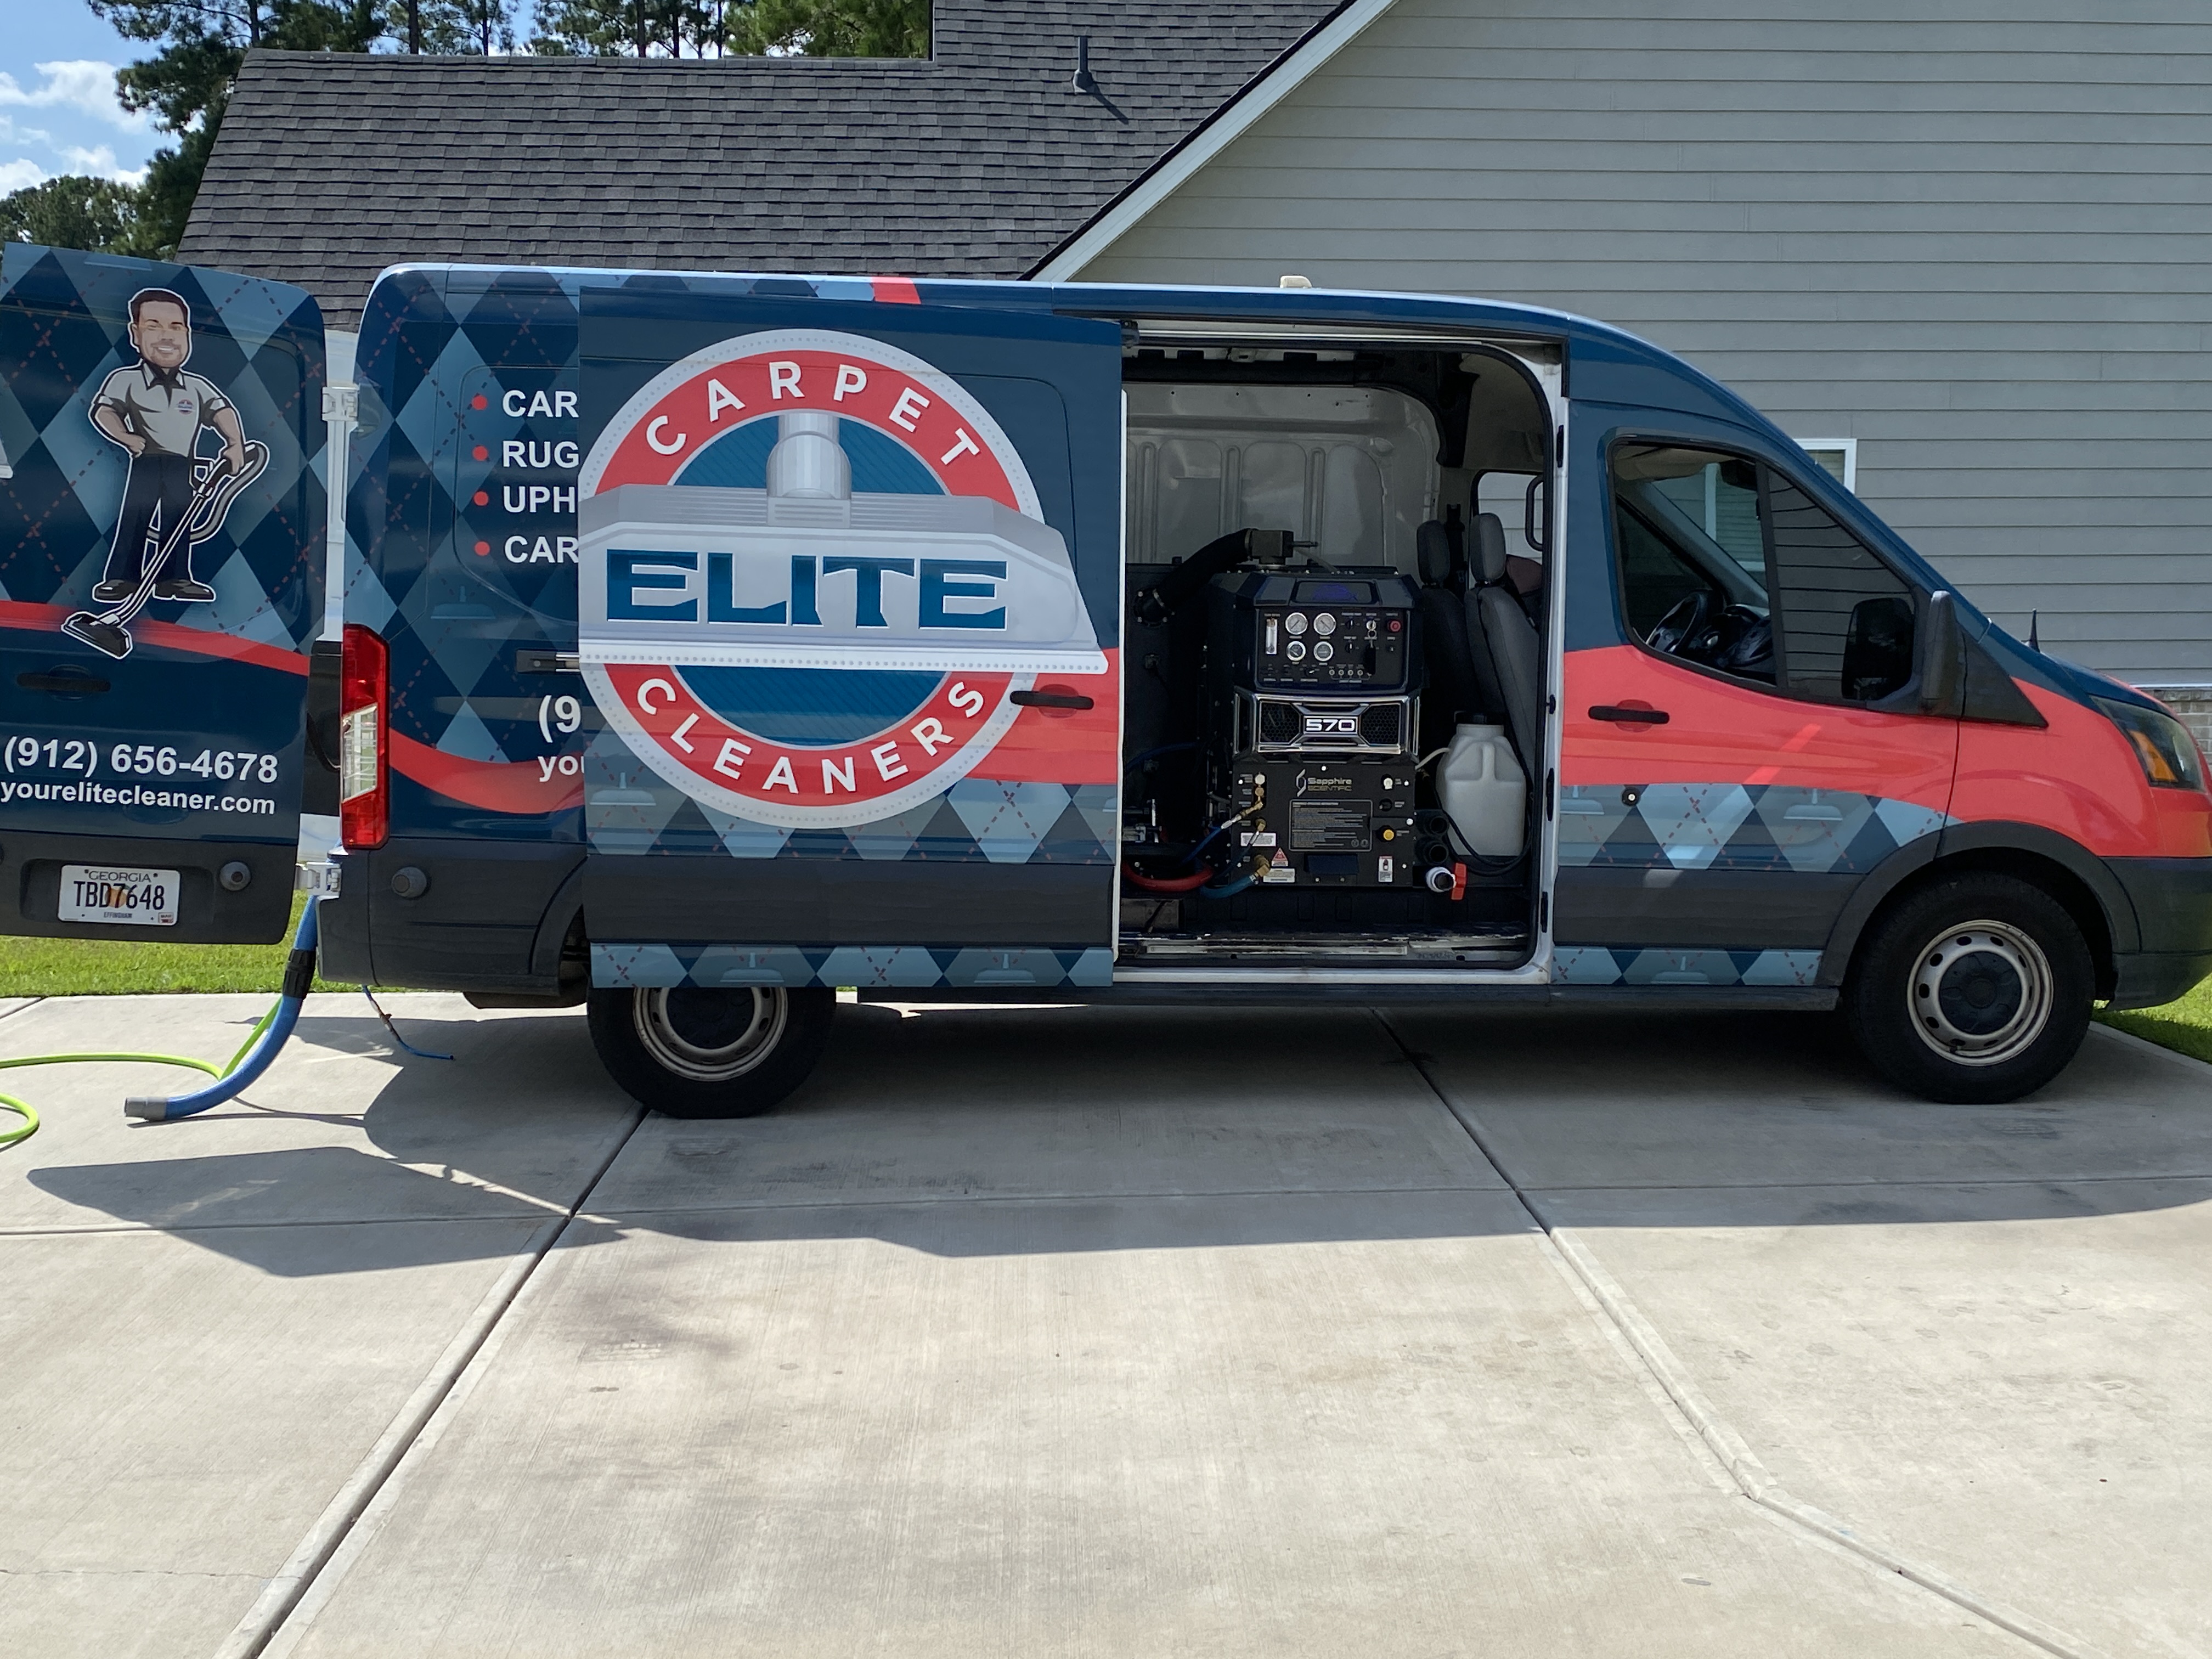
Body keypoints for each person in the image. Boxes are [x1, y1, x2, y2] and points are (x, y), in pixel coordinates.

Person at [88, 288, 247, 605]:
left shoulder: (196, 386)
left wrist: (235, 443)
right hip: (146, 459)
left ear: (188, 335)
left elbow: (222, 412)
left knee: (179, 519)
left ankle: (174, 578)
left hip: (181, 464)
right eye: (154, 326)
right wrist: (126, 437)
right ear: (135, 333)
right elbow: (104, 411)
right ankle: (122, 578)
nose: (167, 336)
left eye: (176, 327)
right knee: (136, 517)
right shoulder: (126, 380)